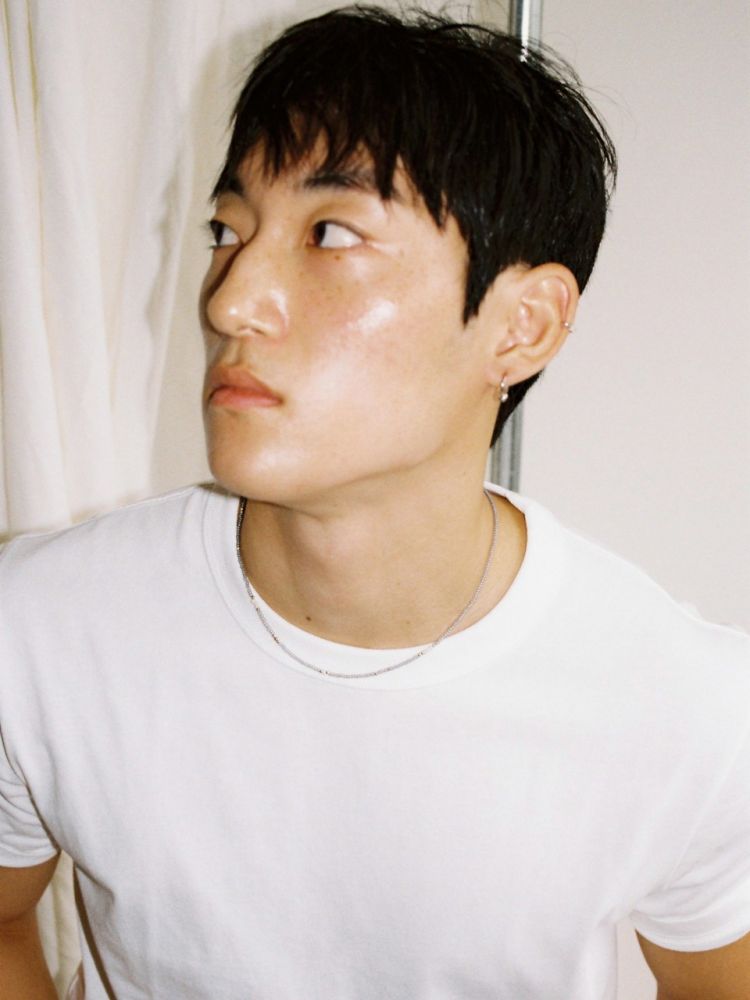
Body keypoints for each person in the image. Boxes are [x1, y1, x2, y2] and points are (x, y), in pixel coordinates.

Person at [0, 6, 748, 999]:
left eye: (331, 234)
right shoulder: (41, 624)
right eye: (229, 230)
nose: (229, 300)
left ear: (522, 325)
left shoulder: (683, 705)